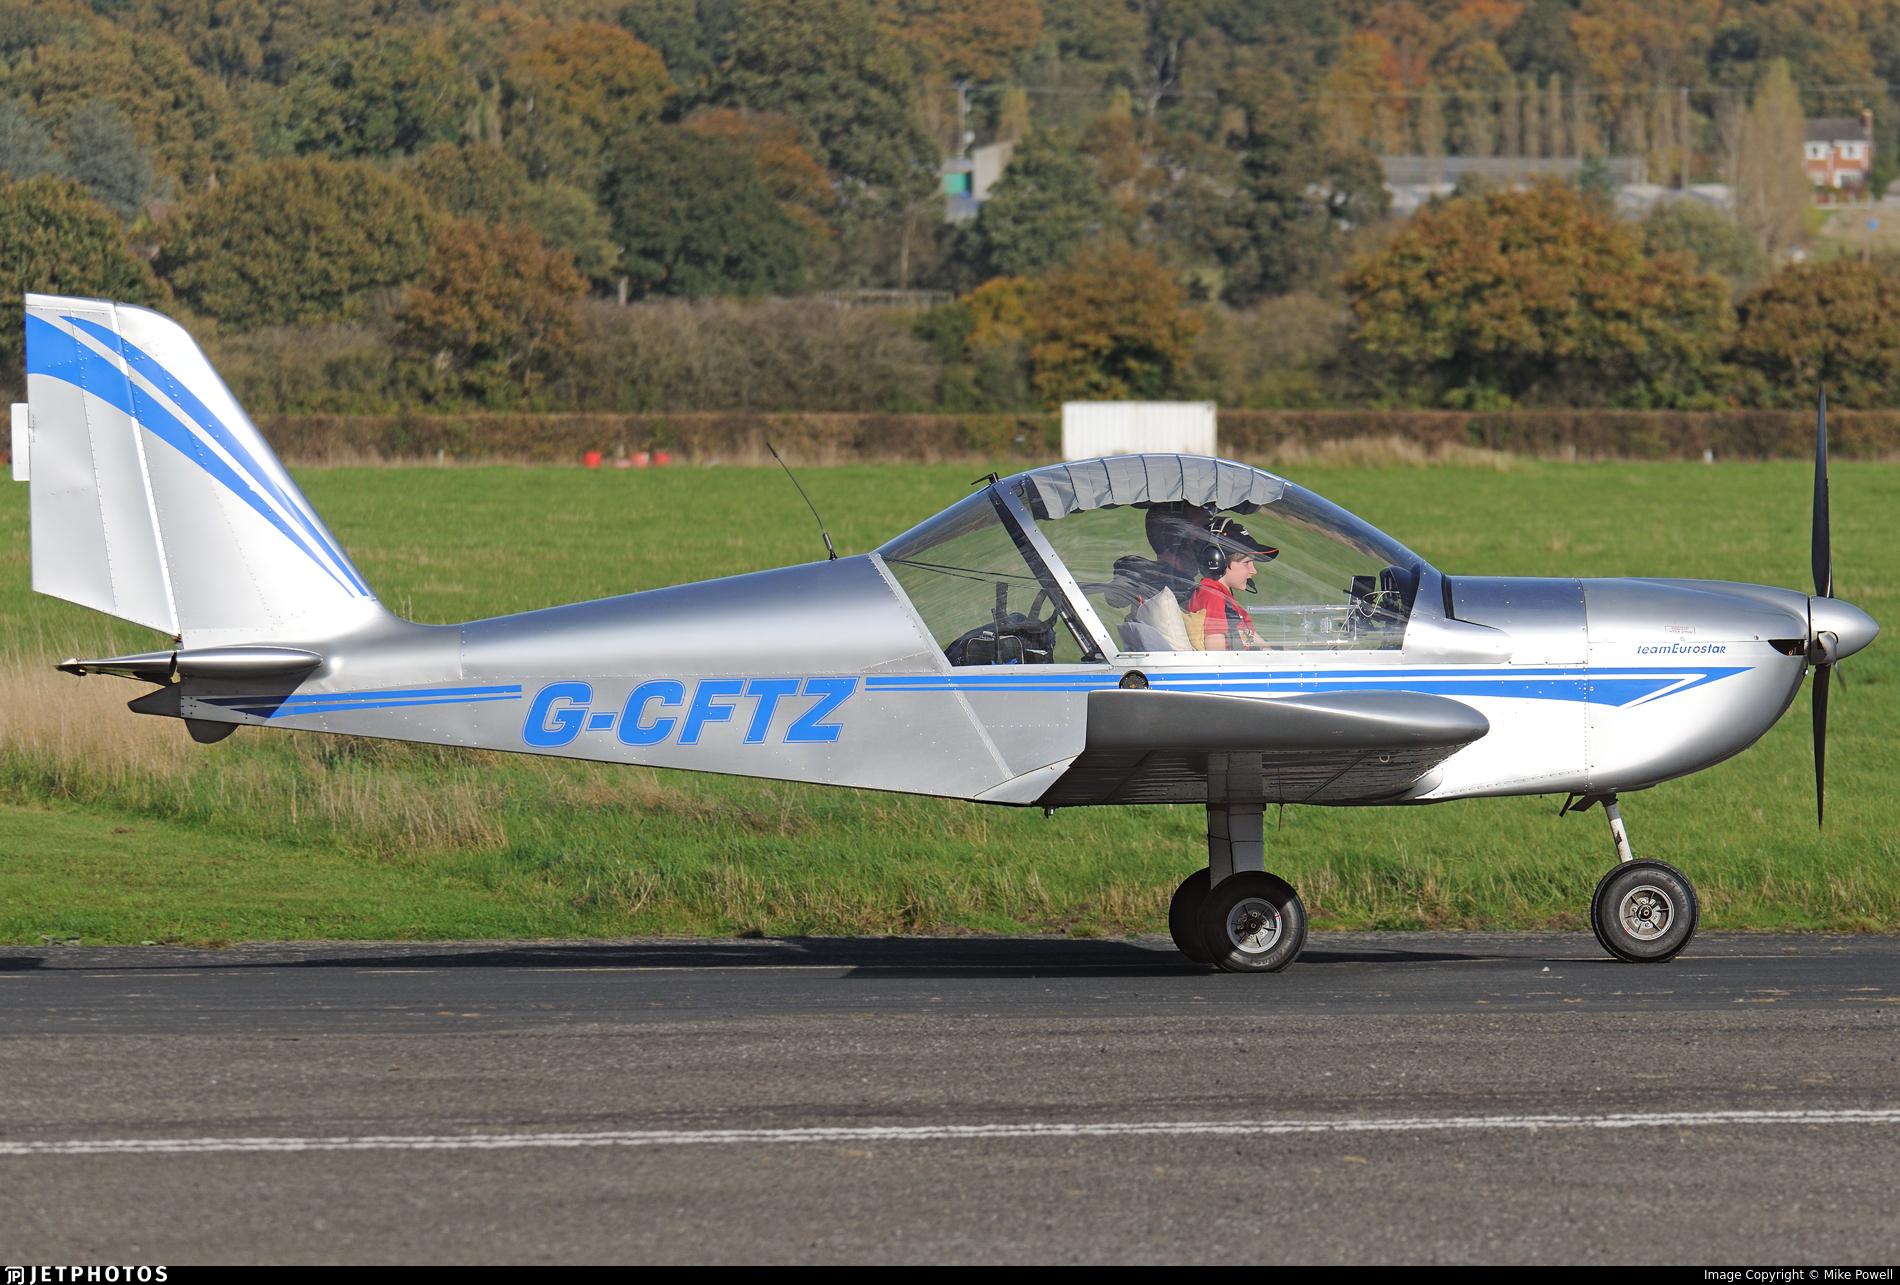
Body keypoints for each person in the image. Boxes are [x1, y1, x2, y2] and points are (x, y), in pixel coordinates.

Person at [1186, 516, 1278, 651]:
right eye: (1247, 563)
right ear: (1216, 560)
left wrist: (1272, 651)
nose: (1254, 571)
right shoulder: (1212, 596)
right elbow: (1216, 652)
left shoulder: (1222, 596)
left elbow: (1250, 637)